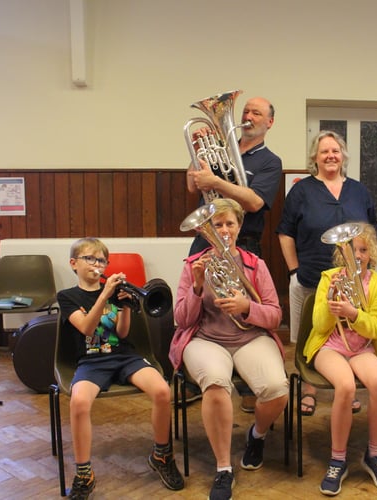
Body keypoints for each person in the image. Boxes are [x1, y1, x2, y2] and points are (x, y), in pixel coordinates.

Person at [169, 198, 288, 500]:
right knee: (216, 384)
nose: (223, 230)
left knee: (277, 389)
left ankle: (256, 435)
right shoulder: (193, 265)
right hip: (206, 339)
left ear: (239, 227)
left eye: (228, 224)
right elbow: (182, 319)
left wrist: (247, 306)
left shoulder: (255, 264)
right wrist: (197, 287)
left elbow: (274, 314)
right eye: (216, 225)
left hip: (249, 338)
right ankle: (224, 468)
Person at [57, 238, 184, 500]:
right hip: (91, 360)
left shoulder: (115, 293)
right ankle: (84, 474)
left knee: (162, 390)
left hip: (124, 355)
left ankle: (161, 456)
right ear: (73, 264)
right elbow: (86, 328)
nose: (96, 264)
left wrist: (126, 306)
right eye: (89, 258)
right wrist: (105, 294)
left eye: (101, 260)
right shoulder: (68, 297)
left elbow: (122, 332)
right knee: (79, 402)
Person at [277, 130, 377, 418]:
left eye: (335, 150)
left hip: (352, 282)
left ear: (343, 155)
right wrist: (294, 271)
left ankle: (343, 387)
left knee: (349, 333)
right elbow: (285, 233)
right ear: (315, 157)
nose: (330, 156)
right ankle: (309, 390)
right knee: (308, 336)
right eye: (324, 151)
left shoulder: (359, 191)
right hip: (310, 277)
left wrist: (367, 274)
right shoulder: (301, 191)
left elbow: (372, 233)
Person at [186, 95, 282, 413]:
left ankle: (254, 387)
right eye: (245, 111)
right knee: (199, 304)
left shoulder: (270, 161)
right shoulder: (221, 150)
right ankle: (206, 373)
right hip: (205, 237)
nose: (248, 116)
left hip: (244, 240)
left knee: (242, 308)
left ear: (269, 122)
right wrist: (199, 152)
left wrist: (216, 182)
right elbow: (192, 184)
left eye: (256, 112)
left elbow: (254, 202)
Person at [303, 223, 377, 496]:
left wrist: (353, 313)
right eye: (351, 249)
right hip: (329, 346)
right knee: (345, 387)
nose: (357, 255)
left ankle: (376, 454)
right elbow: (319, 326)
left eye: (363, 250)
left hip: (363, 348)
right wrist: (333, 305)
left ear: (372, 254)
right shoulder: (329, 277)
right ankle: (338, 460)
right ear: (340, 253)